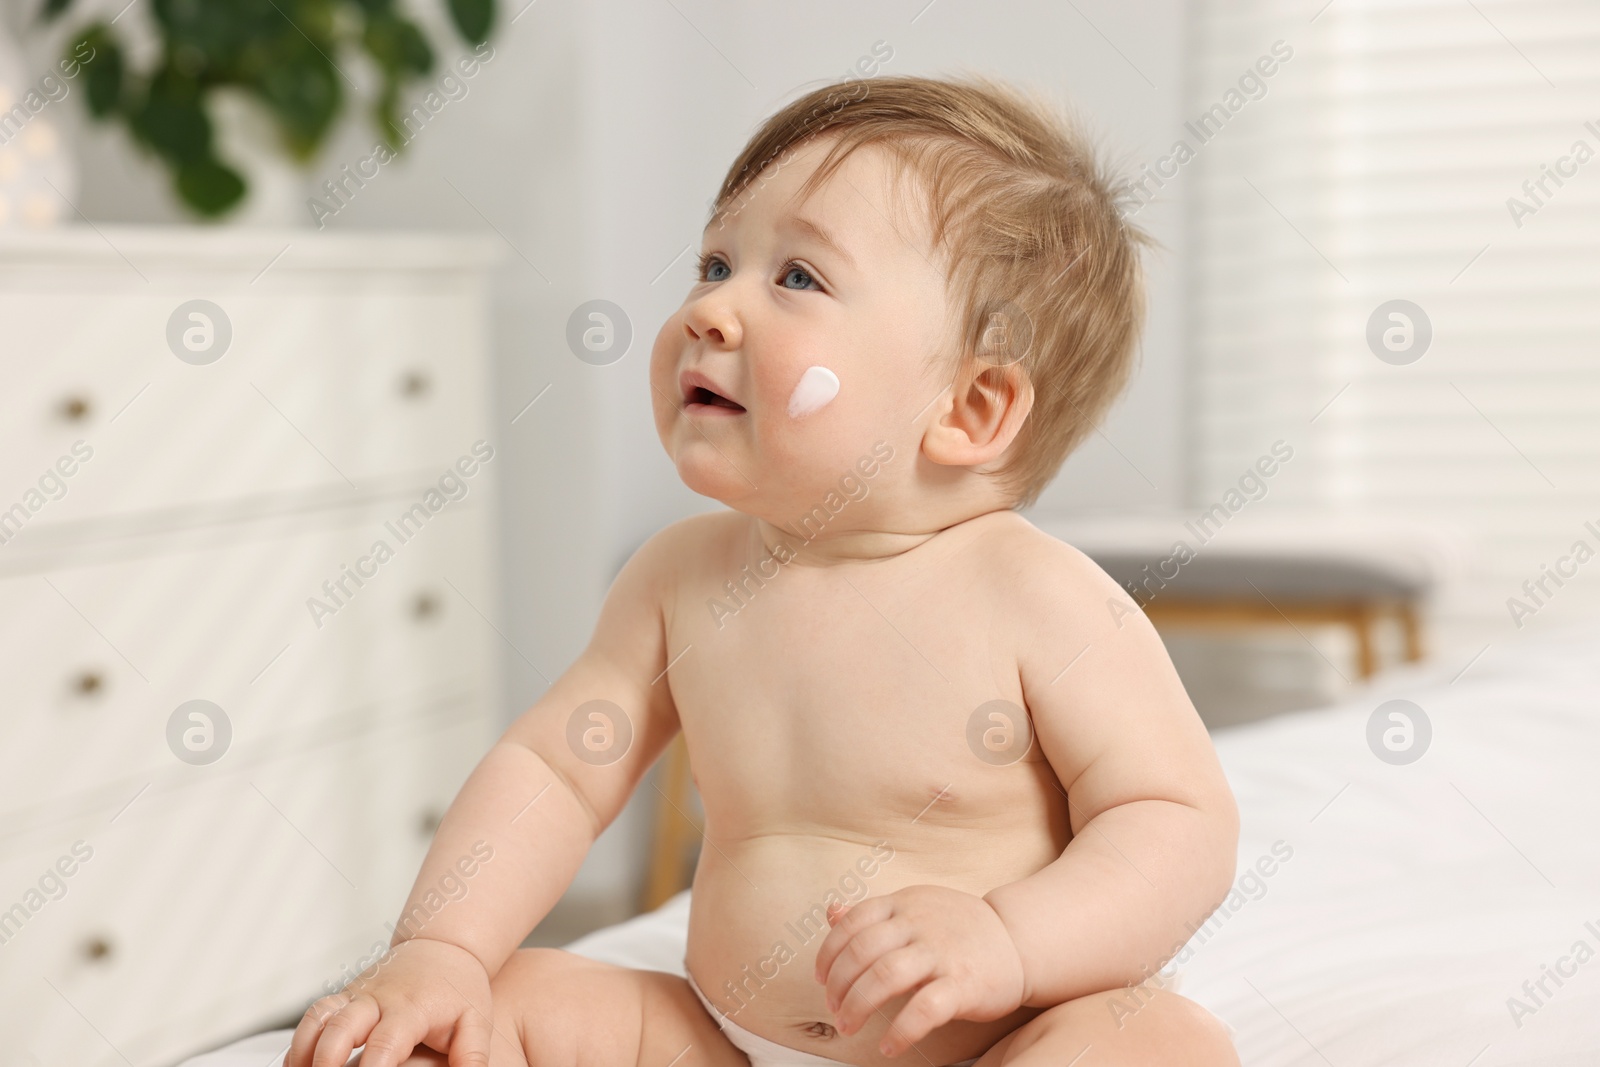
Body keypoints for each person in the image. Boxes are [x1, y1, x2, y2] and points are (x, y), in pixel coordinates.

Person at [286, 72, 1241, 1067]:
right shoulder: (680, 578)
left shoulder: (1038, 597)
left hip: (989, 1041)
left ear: (970, 409)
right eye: (714, 262)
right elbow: (557, 771)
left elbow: (1175, 819)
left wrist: (1009, 936)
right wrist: (442, 945)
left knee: (1154, 1037)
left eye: (797, 278)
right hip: (722, 1040)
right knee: (501, 998)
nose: (712, 309)